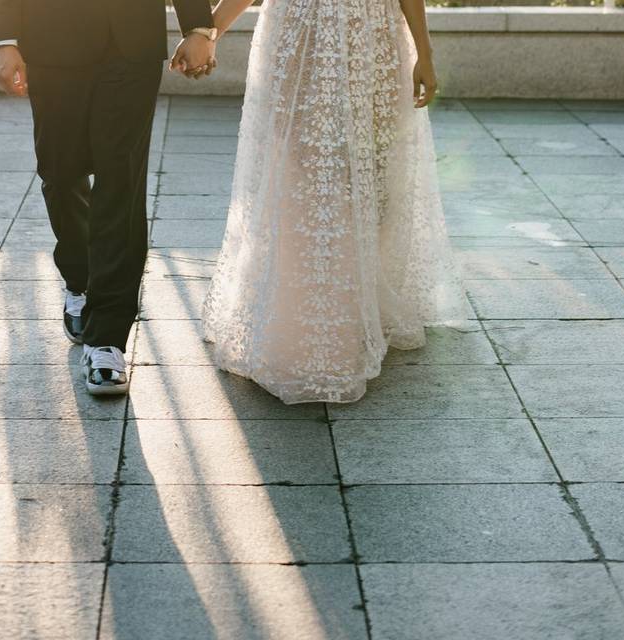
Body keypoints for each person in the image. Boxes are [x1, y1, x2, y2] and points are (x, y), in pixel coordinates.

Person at [192, 0, 469, 404]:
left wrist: (425, 53)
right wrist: (206, 33)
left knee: (371, 174)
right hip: (300, 33)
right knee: (299, 167)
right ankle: (299, 317)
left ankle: (358, 305)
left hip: (372, 34)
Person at [0, 0, 216, 395]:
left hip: (131, 43)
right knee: (60, 173)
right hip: (50, 38)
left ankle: (106, 338)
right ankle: (80, 279)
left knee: (120, 180)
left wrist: (197, 27)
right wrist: (3, 38)